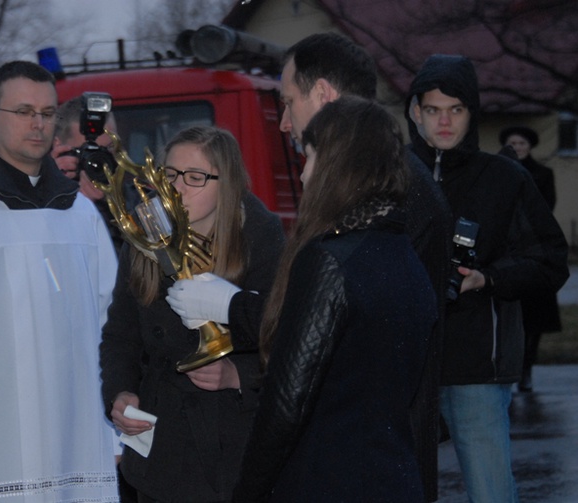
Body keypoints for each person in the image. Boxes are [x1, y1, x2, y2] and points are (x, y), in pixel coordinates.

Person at [232, 96, 437, 502]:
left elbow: (287, 402)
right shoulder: (405, 255)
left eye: (310, 158)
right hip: (394, 480)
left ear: (339, 165)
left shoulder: (329, 261)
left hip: (327, 482)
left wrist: (247, 493)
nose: (305, 175)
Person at [275, 32, 452, 502]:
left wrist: (237, 310)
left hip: (372, 465)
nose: (283, 122)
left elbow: (345, 334)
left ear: (324, 96)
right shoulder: (379, 183)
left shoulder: (398, 191)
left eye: (288, 102)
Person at [406, 54, 569, 503]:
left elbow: (551, 260)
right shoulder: (388, 174)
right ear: (414, 111)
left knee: (491, 492)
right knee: (399, 490)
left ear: (471, 114)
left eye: (455, 110)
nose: (444, 121)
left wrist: (489, 279)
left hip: (476, 363)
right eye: (434, 109)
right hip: (402, 362)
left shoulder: (504, 178)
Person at [0, 60, 120, 502]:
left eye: (47, 114)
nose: (38, 124)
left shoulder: (80, 212)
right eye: (24, 111)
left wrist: (114, 430)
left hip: (79, 431)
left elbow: (111, 318)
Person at [99, 126, 286, 503]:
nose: (176, 189)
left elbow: (286, 337)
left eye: (195, 178)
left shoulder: (261, 237)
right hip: (162, 441)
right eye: (168, 175)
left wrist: (237, 374)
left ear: (227, 182)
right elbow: (121, 334)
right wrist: (120, 394)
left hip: (234, 440)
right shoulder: (145, 231)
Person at [499, 125, 563, 392]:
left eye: (522, 143)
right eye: (513, 143)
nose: (518, 147)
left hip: (535, 251)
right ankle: (509, 368)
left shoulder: (543, 174)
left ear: (530, 146)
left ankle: (527, 369)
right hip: (507, 250)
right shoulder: (497, 172)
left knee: (535, 318)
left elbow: (546, 208)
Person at [52, 99, 124, 254]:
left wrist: (111, 208)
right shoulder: (42, 202)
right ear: (59, 147)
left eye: (109, 148)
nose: (101, 161)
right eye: (90, 151)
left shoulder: (138, 200)